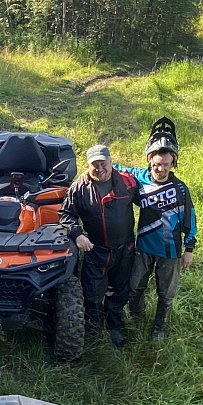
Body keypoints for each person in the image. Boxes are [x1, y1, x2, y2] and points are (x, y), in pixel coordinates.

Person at [116, 128, 197, 342]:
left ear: (173, 163)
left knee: (166, 294)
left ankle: (159, 328)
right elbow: (114, 168)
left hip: (170, 251)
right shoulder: (140, 178)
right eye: (156, 164)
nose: (159, 169)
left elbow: (190, 220)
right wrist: (95, 167)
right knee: (135, 286)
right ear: (149, 159)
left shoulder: (180, 189)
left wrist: (189, 249)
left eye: (165, 165)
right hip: (143, 246)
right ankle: (137, 316)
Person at [59, 144, 139, 348]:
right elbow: (66, 215)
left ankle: (114, 326)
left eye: (103, 163)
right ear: (88, 165)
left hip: (125, 248)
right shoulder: (79, 187)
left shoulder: (127, 182)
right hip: (96, 250)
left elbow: (148, 202)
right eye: (95, 164)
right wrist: (77, 235)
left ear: (111, 161)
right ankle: (95, 329)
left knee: (120, 289)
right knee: (92, 292)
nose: (100, 167)